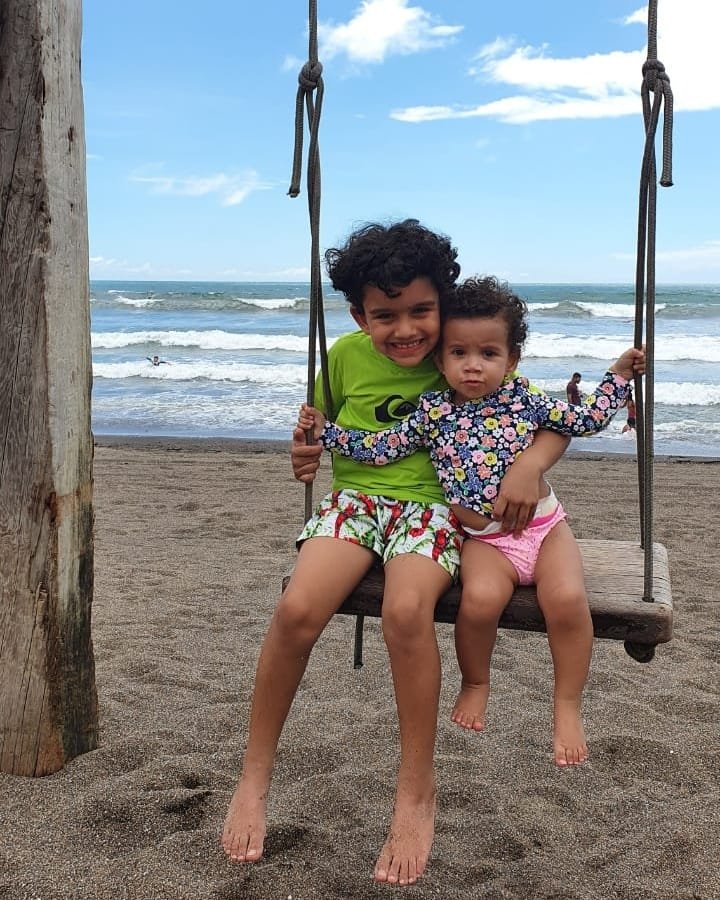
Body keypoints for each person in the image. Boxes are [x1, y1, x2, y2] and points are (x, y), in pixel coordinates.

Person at [221, 221, 569, 887]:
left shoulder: (463, 354)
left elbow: (547, 420)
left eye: (420, 310)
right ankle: (254, 777)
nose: (406, 330)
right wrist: (302, 451)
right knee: (296, 610)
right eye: (386, 316)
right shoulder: (344, 356)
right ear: (360, 316)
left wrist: (530, 466)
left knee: (407, 612)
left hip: (435, 509)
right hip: (356, 503)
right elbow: (317, 427)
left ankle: (415, 791)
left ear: (443, 303)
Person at [299, 275, 646, 769]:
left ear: (511, 360)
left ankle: (567, 704)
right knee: (479, 602)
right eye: (459, 353)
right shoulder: (433, 411)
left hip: (545, 529)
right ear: (441, 361)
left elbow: (585, 420)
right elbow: (381, 447)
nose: (473, 365)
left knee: (568, 600)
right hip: (484, 538)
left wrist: (618, 375)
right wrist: (327, 433)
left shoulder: (523, 398)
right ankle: (476, 682)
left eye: (488, 353)